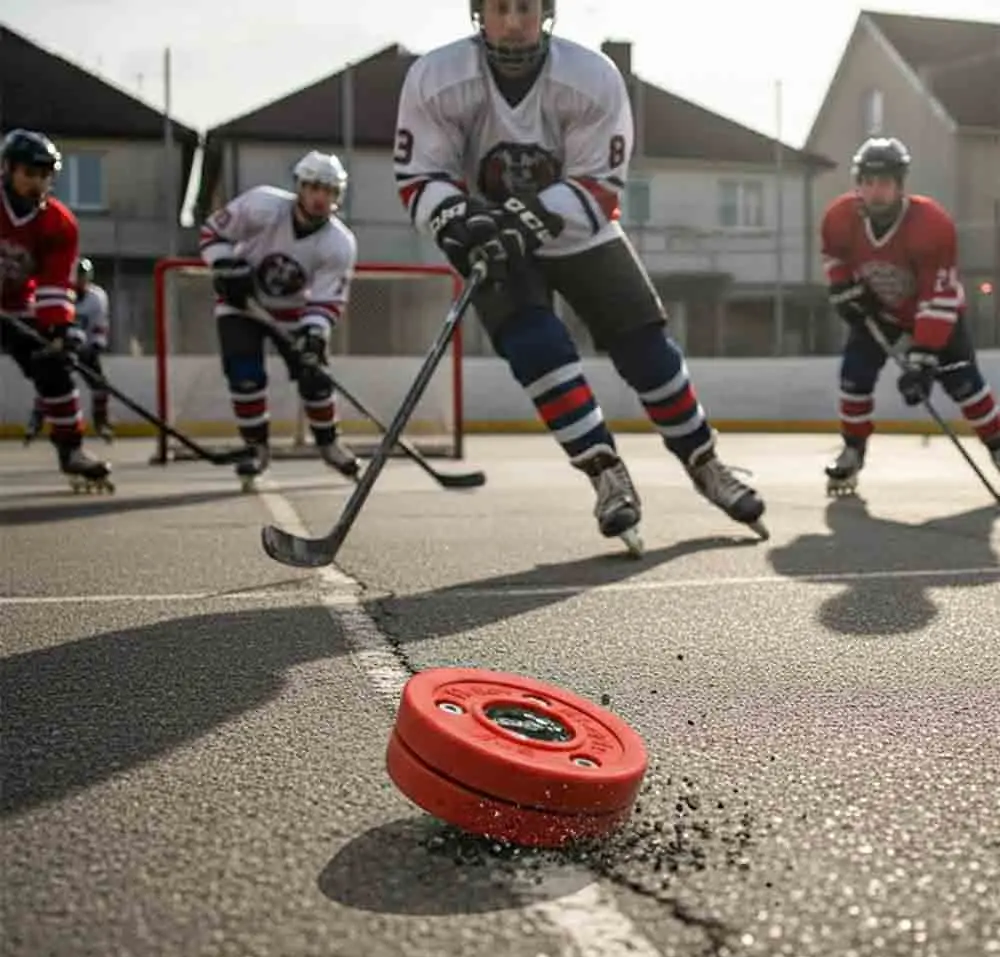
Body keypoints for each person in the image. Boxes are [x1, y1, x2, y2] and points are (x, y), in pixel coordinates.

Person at [392, 0, 768, 554]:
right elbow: (421, 174)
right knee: (535, 348)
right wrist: (455, 220)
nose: (514, 22)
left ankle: (704, 461)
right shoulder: (436, 78)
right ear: (479, 13)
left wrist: (528, 216)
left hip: (581, 232)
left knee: (647, 349)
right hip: (493, 235)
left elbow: (600, 182)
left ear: (546, 12)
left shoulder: (590, 77)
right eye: (500, 8)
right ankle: (604, 472)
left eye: (525, 7)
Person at [822, 136, 1000, 496]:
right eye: (868, 182)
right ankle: (853, 449)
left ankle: (998, 447)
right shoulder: (840, 217)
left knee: (966, 387)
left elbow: (938, 294)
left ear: (900, 185)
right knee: (853, 377)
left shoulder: (931, 223)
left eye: (885, 182)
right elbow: (835, 256)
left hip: (938, 314)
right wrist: (843, 288)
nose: (875, 192)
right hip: (881, 314)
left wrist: (922, 360)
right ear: (858, 183)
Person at [198, 151, 361, 489]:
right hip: (243, 305)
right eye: (314, 187)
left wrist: (314, 334)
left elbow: (328, 298)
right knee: (245, 376)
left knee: (315, 378)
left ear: (337, 196)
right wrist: (225, 264)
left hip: (294, 313)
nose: (320, 197)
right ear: (299, 186)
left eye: (328, 190)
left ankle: (329, 444)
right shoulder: (262, 205)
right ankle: (255, 449)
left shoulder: (339, 243)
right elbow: (213, 233)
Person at [0, 129, 112, 491]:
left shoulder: (58, 222)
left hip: (17, 306)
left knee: (54, 366)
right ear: (8, 169)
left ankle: (71, 450)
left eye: (45, 175)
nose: (38, 183)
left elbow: (53, 282)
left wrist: (58, 330)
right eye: (30, 173)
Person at [24, 256, 114, 443]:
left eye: (83, 277)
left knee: (100, 386)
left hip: (85, 348)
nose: (80, 281)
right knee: (53, 384)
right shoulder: (61, 294)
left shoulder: (97, 298)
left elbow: (99, 326)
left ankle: (101, 422)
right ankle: (36, 420)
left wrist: (96, 345)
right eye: (77, 276)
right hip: (62, 346)